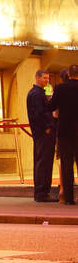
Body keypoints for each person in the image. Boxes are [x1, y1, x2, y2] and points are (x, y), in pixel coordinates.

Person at [27, 69, 56, 203]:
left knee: (42, 161)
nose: (47, 80)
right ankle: (42, 192)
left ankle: (42, 191)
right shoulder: (36, 94)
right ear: (37, 78)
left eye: (48, 78)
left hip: (41, 133)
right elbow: (38, 114)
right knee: (43, 161)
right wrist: (47, 128)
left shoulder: (38, 93)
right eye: (44, 78)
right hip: (43, 133)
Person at [50, 64, 78, 206]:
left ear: (68, 73)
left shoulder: (60, 88)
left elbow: (51, 106)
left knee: (66, 164)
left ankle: (68, 198)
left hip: (65, 130)